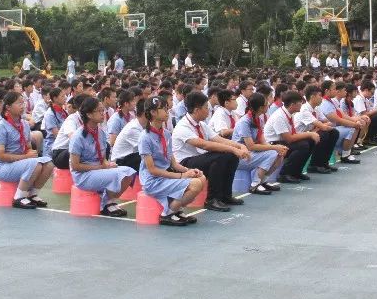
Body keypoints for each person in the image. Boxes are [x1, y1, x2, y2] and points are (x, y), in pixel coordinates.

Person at [171, 91, 247, 212]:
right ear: (197, 110)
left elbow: (218, 139)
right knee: (220, 157)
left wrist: (239, 146)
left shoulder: (201, 124)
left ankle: (225, 195)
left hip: (200, 158)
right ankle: (212, 199)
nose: (208, 110)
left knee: (231, 156)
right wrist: (233, 149)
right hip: (184, 163)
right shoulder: (182, 126)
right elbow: (205, 145)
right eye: (206, 107)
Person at [138, 96, 204, 226]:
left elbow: (173, 163)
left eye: (167, 108)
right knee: (195, 184)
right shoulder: (145, 138)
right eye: (163, 109)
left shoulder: (166, 134)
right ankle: (168, 213)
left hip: (164, 177)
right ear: (152, 112)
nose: (167, 111)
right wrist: (182, 176)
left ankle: (177, 209)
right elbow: (152, 170)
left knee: (201, 178)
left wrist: (189, 171)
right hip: (152, 181)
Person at [68, 97, 137, 217]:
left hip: (97, 170)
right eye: (99, 111)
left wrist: (107, 165)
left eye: (102, 110)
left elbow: (103, 158)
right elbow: (75, 166)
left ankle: (109, 201)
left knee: (129, 172)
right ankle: (104, 204)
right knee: (120, 174)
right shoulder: (78, 136)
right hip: (83, 176)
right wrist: (101, 166)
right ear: (89, 114)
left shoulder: (100, 132)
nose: (102, 113)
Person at [0, 91, 54, 209]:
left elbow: (28, 148)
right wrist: (26, 157)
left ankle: (33, 194)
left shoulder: (24, 124)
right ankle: (19, 197)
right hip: (3, 167)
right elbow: (0, 155)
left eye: (23, 103)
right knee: (34, 164)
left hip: (20, 163)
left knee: (48, 163)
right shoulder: (1, 126)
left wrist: (30, 153)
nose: (23, 106)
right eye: (19, 103)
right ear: (8, 107)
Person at [230, 93, 284, 194]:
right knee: (273, 153)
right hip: (240, 156)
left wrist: (277, 148)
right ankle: (255, 184)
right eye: (266, 103)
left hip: (251, 154)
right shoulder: (244, 122)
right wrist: (275, 147)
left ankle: (262, 181)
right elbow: (250, 146)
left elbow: (262, 141)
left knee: (279, 154)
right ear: (260, 108)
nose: (268, 104)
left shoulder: (258, 119)